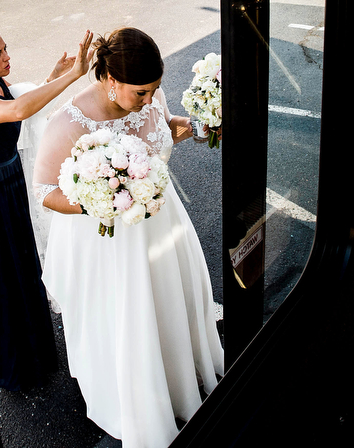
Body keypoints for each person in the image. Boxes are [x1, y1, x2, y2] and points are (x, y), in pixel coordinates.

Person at [32, 28, 224, 448]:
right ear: (111, 81)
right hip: (112, 242)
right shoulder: (68, 122)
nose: (151, 100)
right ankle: (140, 400)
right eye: (142, 93)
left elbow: (161, 129)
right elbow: (45, 191)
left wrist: (197, 126)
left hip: (163, 220)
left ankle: (181, 377)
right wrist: (98, 201)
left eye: (155, 90)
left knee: (172, 304)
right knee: (132, 316)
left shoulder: (146, 99)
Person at [0, 22, 94, 391]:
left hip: (8, 183)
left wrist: (52, 76)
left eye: (5, 48)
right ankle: (16, 366)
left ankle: (36, 352)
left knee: (23, 267)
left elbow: (18, 107)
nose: (7, 57)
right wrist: (74, 76)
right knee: (1, 277)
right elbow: (15, 111)